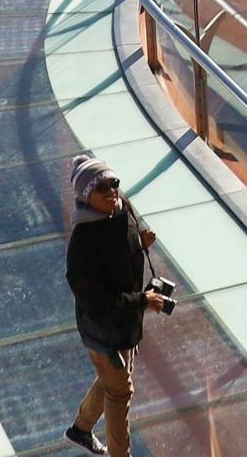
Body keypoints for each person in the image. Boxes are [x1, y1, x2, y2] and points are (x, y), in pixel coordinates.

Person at [63, 155, 168, 457]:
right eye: (101, 187)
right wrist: (142, 300)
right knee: (120, 392)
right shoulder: (83, 243)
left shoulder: (123, 212)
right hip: (105, 332)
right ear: (86, 196)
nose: (112, 192)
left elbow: (119, 258)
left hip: (125, 326)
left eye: (114, 183)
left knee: (112, 382)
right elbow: (96, 302)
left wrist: (140, 245)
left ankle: (80, 430)